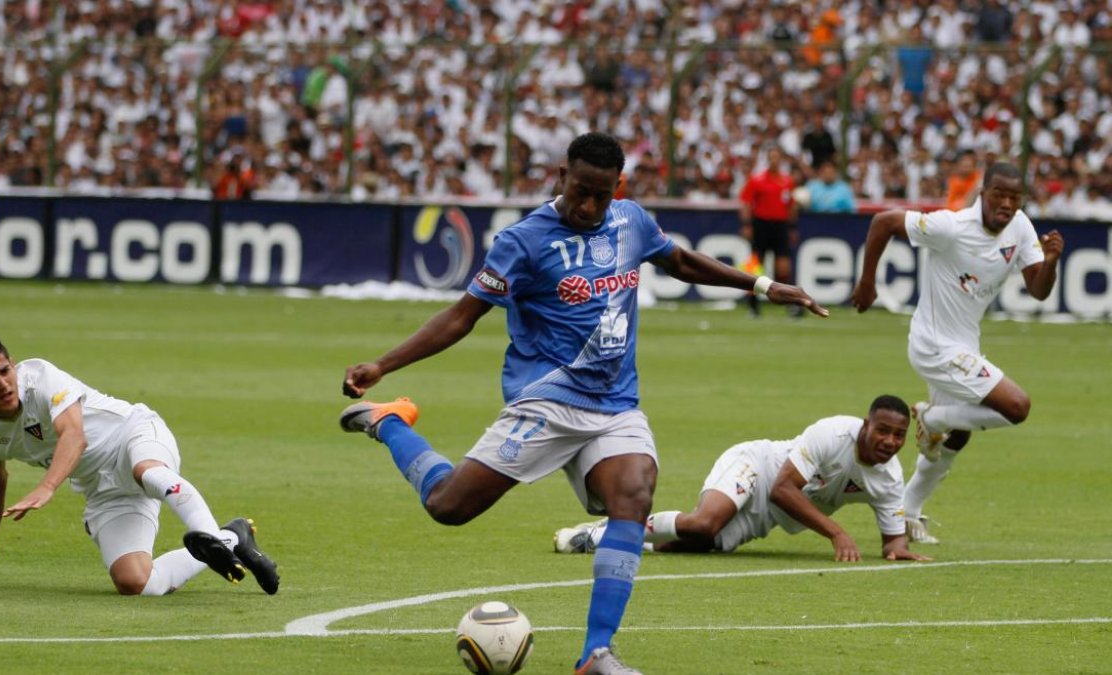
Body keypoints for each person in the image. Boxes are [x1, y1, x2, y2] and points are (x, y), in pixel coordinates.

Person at [340, 132, 827, 675]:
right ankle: (390, 423)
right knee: (449, 507)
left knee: (634, 494)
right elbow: (461, 317)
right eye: (579, 191)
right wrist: (383, 365)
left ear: (616, 187)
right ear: (561, 177)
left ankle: (596, 653)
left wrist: (761, 286)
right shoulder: (522, 242)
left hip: (615, 401)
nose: (588, 206)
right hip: (547, 398)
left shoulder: (631, 221)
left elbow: (680, 261)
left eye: (600, 194)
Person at [0, 331, 279, 596]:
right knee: (134, 582)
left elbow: (74, 436)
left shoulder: (41, 376)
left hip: (133, 434)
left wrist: (48, 486)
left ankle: (210, 538)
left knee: (146, 471)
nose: (4, 384)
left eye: (5, 371)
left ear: (12, 364)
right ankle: (232, 538)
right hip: (102, 489)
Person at [851, 162, 1064, 544]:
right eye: (998, 194)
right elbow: (883, 221)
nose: (1006, 203)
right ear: (983, 194)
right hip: (933, 345)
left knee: (960, 436)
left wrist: (1049, 263)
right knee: (1017, 407)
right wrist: (868, 282)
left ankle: (908, 513)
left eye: (1014, 197)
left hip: (964, 345)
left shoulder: (1020, 227)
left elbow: (1039, 290)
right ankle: (932, 418)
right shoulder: (951, 227)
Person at [554, 395, 930, 563]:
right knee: (704, 522)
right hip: (758, 467)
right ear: (866, 425)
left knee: (692, 545)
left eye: (898, 435)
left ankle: (607, 540)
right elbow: (783, 488)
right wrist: (836, 532)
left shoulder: (889, 479)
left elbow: (892, 542)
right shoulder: (833, 433)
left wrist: (898, 548)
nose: (890, 442)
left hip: (765, 518)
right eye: (882, 430)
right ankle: (609, 529)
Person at [739, 146, 800, 317]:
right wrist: (747, 225)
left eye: (777, 157)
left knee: (783, 267)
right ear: (768, 159)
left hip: (780, 226)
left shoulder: (787, 182)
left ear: (780, 160)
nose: (774, 160)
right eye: (771, 157)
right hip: (761, 225)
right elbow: (746, 203)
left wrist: (792, 227)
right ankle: (752, 305)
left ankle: (790, 305)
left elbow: (791, 206)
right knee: (755, 266)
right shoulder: (757, 180)